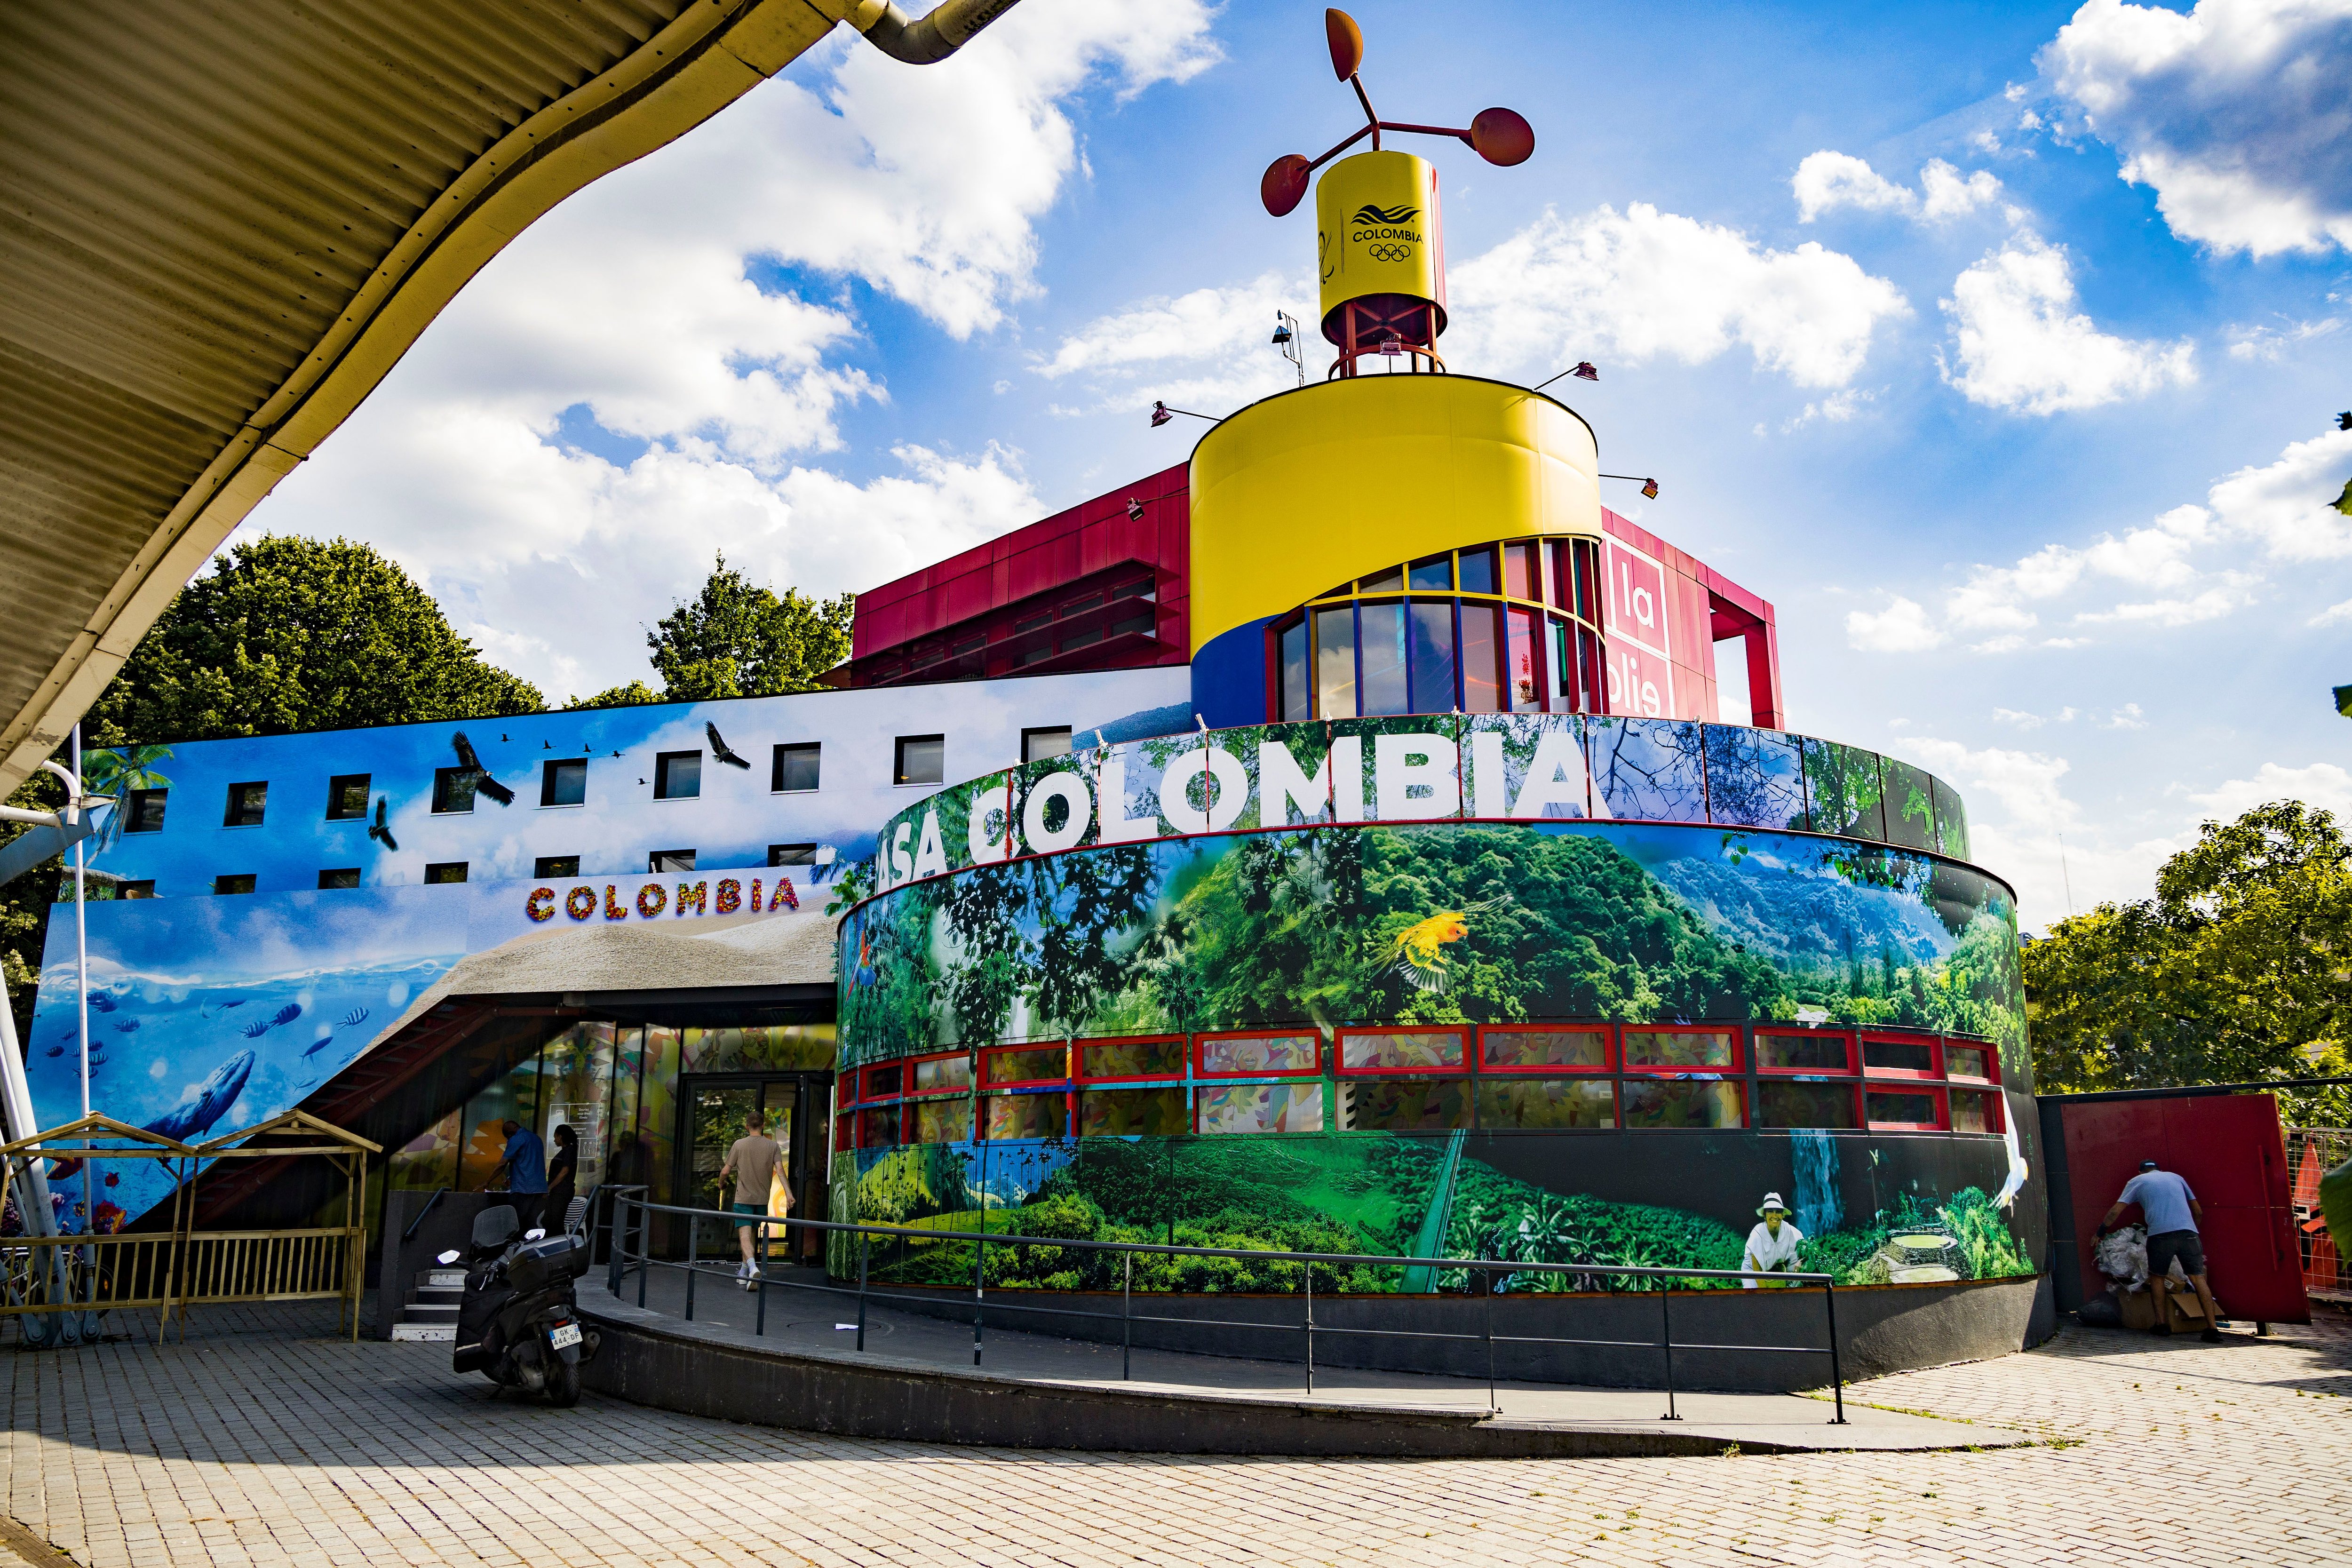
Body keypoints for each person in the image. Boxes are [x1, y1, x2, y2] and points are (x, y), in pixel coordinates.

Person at [2102, 1158, 2224, 1341]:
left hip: (2160, 1236)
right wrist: (2191, 1230)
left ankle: (2162, 1325)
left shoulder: (2137, 1181)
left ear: (2141, 1172)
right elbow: (2198, 1212)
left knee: (2157, 1277)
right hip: (2189, 1234)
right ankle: (2212, 1329)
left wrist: (2100, 1232)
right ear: (2159, 1170)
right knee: (2198, 1278)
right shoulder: (2177, 1178)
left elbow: (2115, 1212)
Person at [716, 1109, 787, 1289]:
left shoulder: (739, 1145)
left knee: (744, 1236)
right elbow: (780, 1171)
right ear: (763, 1126)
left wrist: (721, 1183)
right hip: (762, 1200)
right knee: (751, 1235)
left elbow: (725, 1171)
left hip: (743, 1198)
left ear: (746, 1126)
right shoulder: (773, 1146)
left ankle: (753, 1267)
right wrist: (789, 1194)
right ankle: (743, 1272)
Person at [489, 1118, 548, 1231]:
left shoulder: (516, 1139)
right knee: (532, 1225)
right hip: (540, 1189)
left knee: (515, 1224)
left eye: (507, 1138)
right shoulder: (536, 1139)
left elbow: (502, 1164)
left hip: (523, 1189)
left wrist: (487, 1181)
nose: (508, 1141)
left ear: (510, 1133)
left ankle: (516, 1248)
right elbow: (529, 1163)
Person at [1741, 1192, 1804, 1288]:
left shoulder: (1791, 1231)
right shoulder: (1757, 1233)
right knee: (1754, 1296)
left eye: (1778, 1212)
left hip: (1778, 1273)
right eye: (1770, 1211)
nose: (1775, 1216)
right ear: (1765, 1215)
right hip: (1753, 1273)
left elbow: (1806, 1251)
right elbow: (1757, 1270)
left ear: (1783, 1215)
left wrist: (1800, 1262)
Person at [544, 1124, 580, 1236]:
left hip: (561, 1191)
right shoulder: (569, 1150)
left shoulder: (569, 1151)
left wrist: (550, 1187)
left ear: (560, 1137)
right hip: (560, 1191)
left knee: (555, 1222)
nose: (554, 1140)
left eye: (555, 1137)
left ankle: (557, 1244)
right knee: (551, 1221)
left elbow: (565, 1171)